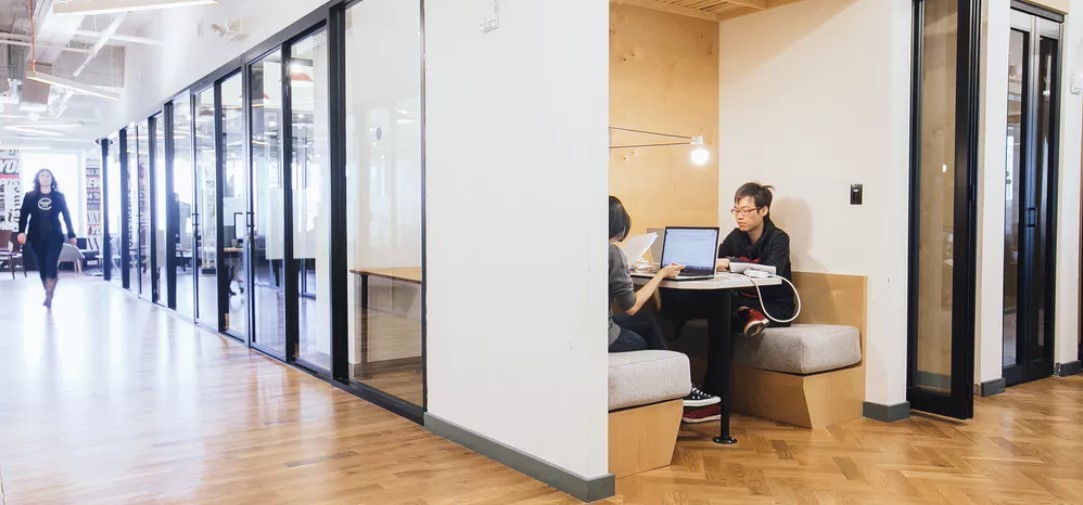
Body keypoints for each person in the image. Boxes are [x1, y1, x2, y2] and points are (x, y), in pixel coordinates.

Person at [608, 195, 720, 411]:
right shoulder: (612, 252)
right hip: (604, 336)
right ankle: (683, 392)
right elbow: (631, 306)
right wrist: (661, 274)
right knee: (642, 340)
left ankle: (684, 387)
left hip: (591, 331)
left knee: (648, 322)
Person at [716, 182, 794, 337]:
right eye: (736, 211)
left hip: (773, 305)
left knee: (730, 317)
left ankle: (749, 316)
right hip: (743, 302)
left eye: (746, 211)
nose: (739, 216)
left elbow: (773, 270)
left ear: (763, 210)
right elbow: (716, 258)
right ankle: (747, 315)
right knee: (719, 310)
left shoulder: (779, 239)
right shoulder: (736, 236)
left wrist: (731, 263)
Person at [17, 169, 77, 308]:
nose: (45, 178)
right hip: (35, 237)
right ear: (38, 179)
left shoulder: (58, 197)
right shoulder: (30, 196)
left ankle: (49, 291)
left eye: (48, 176)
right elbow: (23, 215)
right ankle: (49, 289)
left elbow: (66, 215)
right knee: (42, 267)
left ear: (52, 179)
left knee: (50, 263)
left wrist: (72, 234)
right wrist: (21, 232)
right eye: (42, 176)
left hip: (54, 237)